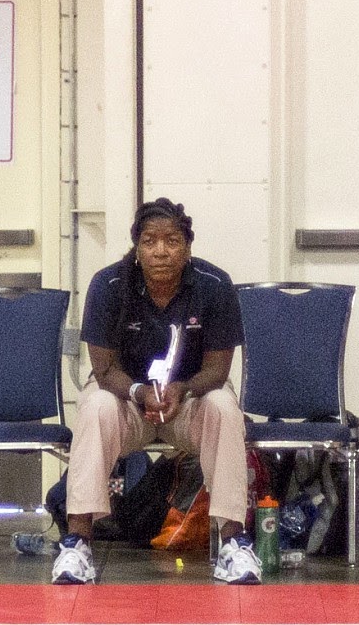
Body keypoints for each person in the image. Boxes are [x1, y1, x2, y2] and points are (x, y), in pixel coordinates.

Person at [51, 197, 262, 586]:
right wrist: (138, 393)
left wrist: (180, 389)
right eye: (150, 241)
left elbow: (217, 370)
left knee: (224, 408)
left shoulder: (214, 285)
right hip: (126, 401)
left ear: (187, 246)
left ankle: (233, 543)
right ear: (136, 247)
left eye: (172, 241)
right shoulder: (109, 284)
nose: (161, 251)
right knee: (94, 404)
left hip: (190, 399)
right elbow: (104, 369)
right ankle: (77, 543)